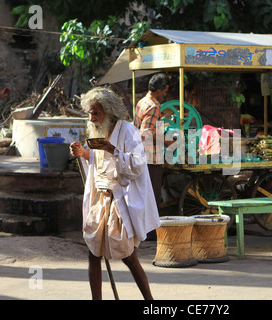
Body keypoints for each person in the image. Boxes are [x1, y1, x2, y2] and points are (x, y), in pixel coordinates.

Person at [70, 87, 160, 300]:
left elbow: (137, 165)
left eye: (96, 113)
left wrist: (112, 149)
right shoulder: (95, 131)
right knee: (93, 254)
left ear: (109, 113)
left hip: (120, 201)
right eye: (90, 114)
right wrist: (83, 153)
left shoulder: (127, 130)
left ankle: (150, 302)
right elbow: (96, 163)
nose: (92, 119)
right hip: (98, 199)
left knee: (128, 256)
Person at [133, 73, 170, 206]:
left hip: (139, 155)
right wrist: (167, 141)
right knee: (151, 199)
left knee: (141, 197)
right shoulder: (153, 107)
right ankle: (150, 227)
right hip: (151, 160)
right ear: (159, 90)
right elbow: (146, 133)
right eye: (165, 91)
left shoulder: (142, 102)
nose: (165, 94)